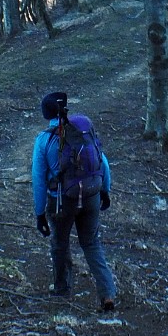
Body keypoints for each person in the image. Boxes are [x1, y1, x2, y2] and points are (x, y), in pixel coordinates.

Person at [31, 90, 117, 312]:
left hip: (61, 201)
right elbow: (102, 161)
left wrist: (40, 213)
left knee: (60, 244)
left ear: (46, 114)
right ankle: (107, 293)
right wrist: (104, 191)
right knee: (91, 243)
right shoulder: (81, 131)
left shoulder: (44, 140)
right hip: (91, 195)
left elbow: (39, 181)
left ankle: (62, 288)